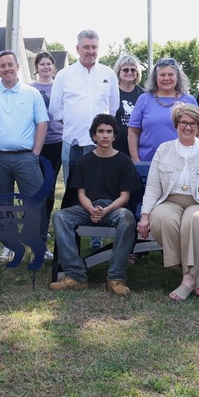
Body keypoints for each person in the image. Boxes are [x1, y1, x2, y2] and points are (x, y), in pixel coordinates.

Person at [136, 104, 199, 300]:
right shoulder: (164, 149)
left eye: (193, 123)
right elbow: (152, 187)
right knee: (161, 219)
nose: (187, 127)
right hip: (169, 201)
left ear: (198, 126)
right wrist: (145, 216)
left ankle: (187, 281)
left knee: (192, 220)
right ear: (176, 124)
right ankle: (194, 274)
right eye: (183, 123)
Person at [50, 114, 140, 295]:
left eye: (109, 132)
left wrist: (106, 210)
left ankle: (116, 278)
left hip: (114, 209)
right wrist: (91, 209)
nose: (105, 135)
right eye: (101, 132)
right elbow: (80, 193)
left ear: (115, 136)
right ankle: (76, 276)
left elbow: (125, 197)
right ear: (94, 136)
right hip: (87, 207)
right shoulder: (84, 161)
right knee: (60, 216)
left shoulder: (124, 162)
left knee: (127, 217)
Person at [0, 50, 50, 262]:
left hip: (26, 157)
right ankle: (9, 245)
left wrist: (35, 153)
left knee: (37, 200)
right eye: (2, 66)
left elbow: (42, 123)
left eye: (10, 64)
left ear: (17, 66)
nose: (7, 69)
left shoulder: (31, 93)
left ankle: (39, 245)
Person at [49, 30, 118, 184]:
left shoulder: (108, 74)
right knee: (73, 189)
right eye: (86, 47)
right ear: (77, 48)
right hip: (73, 141)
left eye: (94, 47)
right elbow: (55, 109)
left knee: (101, 186)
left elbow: (113, 108)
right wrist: (73, 122)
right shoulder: (64, 75)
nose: (90, 51)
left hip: (101, 143)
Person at [128, 58, 199, 163]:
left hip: (183, 163)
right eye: (162, 75)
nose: (166, 78)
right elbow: (133, 131)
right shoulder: (144, 99)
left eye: (170, 74)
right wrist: (135, 159)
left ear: (177, 77)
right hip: (148, 162)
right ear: (156, 78)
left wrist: (196, 159)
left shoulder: (189, 100)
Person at [30, 51, 63, 233]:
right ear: (36, 68)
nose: (46, 67)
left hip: (56, 143)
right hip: (36, 144)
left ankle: (45, 224)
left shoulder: (60, 86)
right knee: (35, 186)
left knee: (49, 187)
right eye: (42, 64)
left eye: (49, 64)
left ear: (53, 67)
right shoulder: (29, 88)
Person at [111, 53, 143, 155]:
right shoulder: (111, 93)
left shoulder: (144, 95)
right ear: (118, 72)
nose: (129, 72)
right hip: (115, 145)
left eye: (133, 70)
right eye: (125, 69)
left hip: (138, 145)